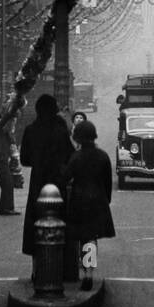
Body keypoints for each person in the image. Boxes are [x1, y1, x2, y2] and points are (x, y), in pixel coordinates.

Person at [60, 120, 115, 291]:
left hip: (80, 200)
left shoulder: (76, 157)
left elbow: (66, 177)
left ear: (78, 138)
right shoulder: (103, 156)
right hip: (98, 200)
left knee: (83, 238)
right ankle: (89, 273)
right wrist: (106, 199)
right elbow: (107, 183)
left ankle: (84, 270)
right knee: (91, 239)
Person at [19, 94, 75, 258]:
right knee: (58, 220)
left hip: (38, 180)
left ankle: (37, 266)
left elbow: (25, 159)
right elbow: (69, 156)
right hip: (57, 180)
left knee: (36, 221)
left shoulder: (30, 130)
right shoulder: (60, 130)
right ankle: (59, 263)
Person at [0, 113, 20, 215]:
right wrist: (11, 113)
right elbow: (4, 122)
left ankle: (2, 208)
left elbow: (11, 139)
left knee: (6, 184)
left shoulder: (2, 131)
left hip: (1, 160)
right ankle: (7, 208)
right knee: (8, 184)